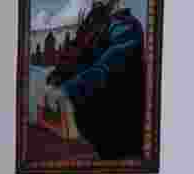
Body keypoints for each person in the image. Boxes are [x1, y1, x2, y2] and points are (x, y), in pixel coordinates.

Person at [44, 0, 145, 159]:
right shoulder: (95, 18)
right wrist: (57, 77)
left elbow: (108, 67)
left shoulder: (127, 26)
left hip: (117, 128)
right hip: (91, 127)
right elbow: (75, 49)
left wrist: (68, 89)